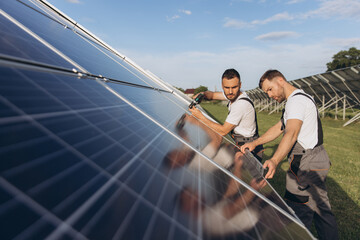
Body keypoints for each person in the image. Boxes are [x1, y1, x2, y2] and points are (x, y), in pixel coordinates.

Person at [240, 69, 338, 240]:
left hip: (306, 163)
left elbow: (291, 133)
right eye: (266, 92)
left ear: (280, 81)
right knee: (321, 210)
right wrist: (255, 143)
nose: (269, 95)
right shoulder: (299, 99)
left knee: (299, 212)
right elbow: (279, 128)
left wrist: (275, 160)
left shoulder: (296, 102)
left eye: (270, 89)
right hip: (317, 160)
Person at [189, 68, 263, 160]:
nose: (230, 91)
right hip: (240, 142)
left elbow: (223, 131)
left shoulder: (241, 104)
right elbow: (212, 95)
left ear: (240, 85)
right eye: (227, 88)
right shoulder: (233, 94)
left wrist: (200, 117)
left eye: (234, 87)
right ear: (222, 86)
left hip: (249, 149)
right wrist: (203, 94)